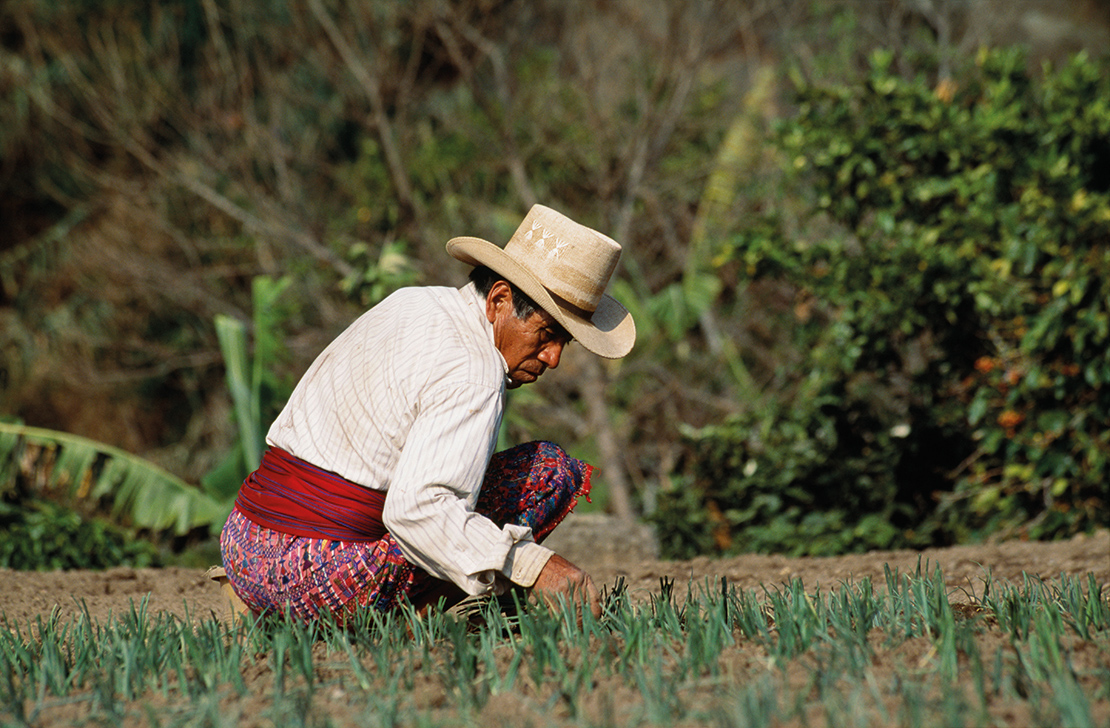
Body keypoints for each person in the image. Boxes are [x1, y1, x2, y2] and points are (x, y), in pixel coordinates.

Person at [219, 204, 636, 624]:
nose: (554, 358)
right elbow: (417, 510)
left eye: (565, 342)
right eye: (547, 334)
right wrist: (533, 567)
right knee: (549, 472)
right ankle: (405, 620)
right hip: (314, 573)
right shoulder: (476, 370)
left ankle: (262, 601)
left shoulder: (412, 302)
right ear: (500, 299)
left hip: (243, 544)